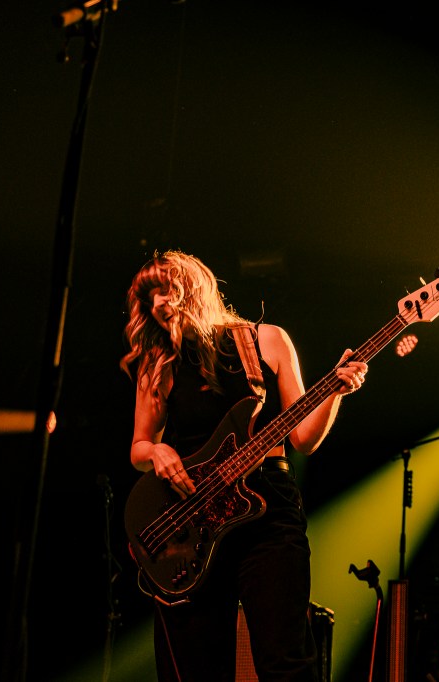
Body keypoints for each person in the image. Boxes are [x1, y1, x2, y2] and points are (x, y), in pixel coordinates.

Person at [119, 249, 368, 681]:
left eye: (166, 289)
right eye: (150, 296)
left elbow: (303, 438)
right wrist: (157, 452)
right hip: (191, 519)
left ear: (194, 286)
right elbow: (139, 445)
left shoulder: (265, 341)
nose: (158, 303)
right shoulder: (157, 364)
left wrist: (335, 393)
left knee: (285, 661)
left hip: (268, 514)